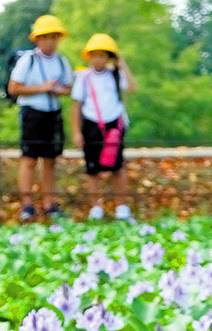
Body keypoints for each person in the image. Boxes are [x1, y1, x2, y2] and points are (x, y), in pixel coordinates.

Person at [8, 15, 74, 222]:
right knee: (29, 159)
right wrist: (42, 88)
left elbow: (69, 88)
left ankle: (49, 204)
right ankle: (27, 205)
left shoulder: (62, 61)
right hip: (32, 113)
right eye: (45, 37)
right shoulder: (28, 60)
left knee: (50, 160)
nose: (50, 42)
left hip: (52, 113)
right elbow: (13, 88)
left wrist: (60, 90)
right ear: (37, 39)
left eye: (53, 37)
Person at [71, 34, 137, 221]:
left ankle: (121, 207)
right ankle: (96, 208)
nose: (98, 59)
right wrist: (76, 131)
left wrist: (121, 64)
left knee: (117, 167)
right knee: (92, 168)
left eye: (102, 55)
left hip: (114, 124)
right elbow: (76, 105)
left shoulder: (115, 75)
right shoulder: (84, 77)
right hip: (91, 123)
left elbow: (132, 88)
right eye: (94, 55)